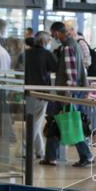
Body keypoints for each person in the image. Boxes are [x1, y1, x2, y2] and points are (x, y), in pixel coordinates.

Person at [47, 21, 94, 167]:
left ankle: (86, 155)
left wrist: (67, 97)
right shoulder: (74, 44)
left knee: (69, 123)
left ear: (56, 32)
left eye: (52, 33)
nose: (52, 36)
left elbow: (71, 74)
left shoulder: (67, 47)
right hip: (71, 92)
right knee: (59, 121)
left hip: (68, 93)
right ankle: (50, 156)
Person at [23, 31, 58, 161]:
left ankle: (40, 151)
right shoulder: (47, 54)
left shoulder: (26, 54)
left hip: (28, 91)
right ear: (44, 41)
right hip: (41, 93)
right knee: (35, 123)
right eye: (48, 40)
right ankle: (25, 147)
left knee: (34, 121)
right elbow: (56, 67)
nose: (49, 42)